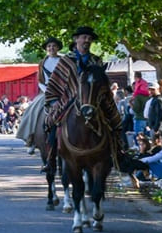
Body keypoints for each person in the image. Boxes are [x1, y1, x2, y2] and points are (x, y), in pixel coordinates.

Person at [44, 26, 125, 171]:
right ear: (76, 40)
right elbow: (54, 82)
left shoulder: (97, 60)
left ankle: (119, 154)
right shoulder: (66, 61)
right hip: (69, 99)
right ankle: (51, 158)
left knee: (115, 121)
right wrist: (55, 102)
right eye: (84, 37)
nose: (87, 40)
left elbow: (103, 82)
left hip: (95, 100)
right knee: (51, 123)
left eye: (89, 38)